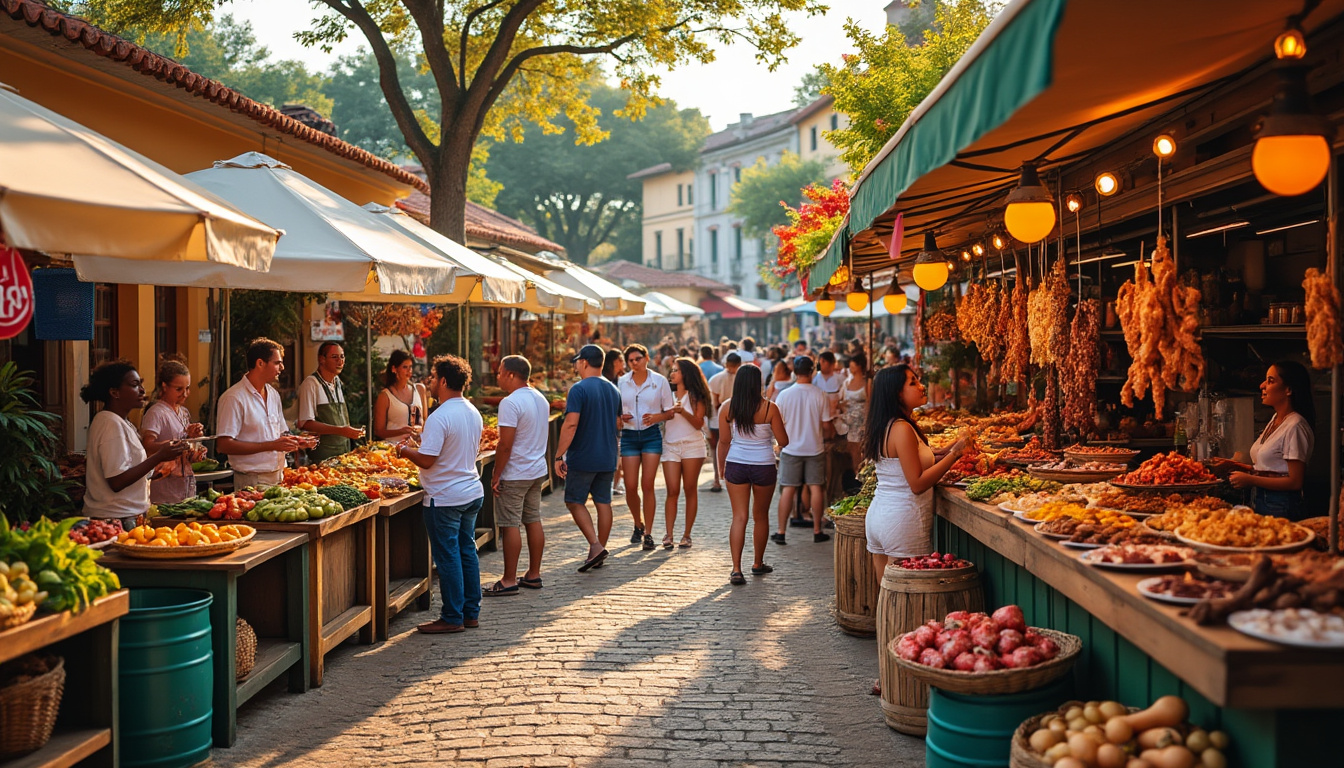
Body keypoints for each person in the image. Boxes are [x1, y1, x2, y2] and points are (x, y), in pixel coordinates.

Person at [396, 355, 484, 634]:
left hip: (445, 496)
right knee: (467, 550)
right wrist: (420, 442)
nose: (430, 382)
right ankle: (470, 612)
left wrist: (404, 451)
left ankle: (452, 616)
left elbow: (427, 460)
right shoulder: (472, 411)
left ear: (444, 381)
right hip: (470, 491)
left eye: (433, 377)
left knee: (448, 557)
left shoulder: (440, 415)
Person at [863, 364, 969, 579]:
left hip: (882, 516)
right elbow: (917, 484)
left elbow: (912, 462)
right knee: (905, 594)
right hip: (902, 521)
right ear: (897, 394)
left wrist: (949, 449)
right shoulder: (901, 428)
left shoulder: (887, 425)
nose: (922, 386)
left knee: (887, 594)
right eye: (913, 382)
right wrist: (955, 454)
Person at [82, 360, 188, 528]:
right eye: (134, 385)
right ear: (115, 392)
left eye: (141, 384)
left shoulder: (122, 422)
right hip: (116, 518)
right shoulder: (110, 424)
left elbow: (130, 468)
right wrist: (160, 455)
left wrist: (159, 468)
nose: (142, 390)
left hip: (128, 515)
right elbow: (117, 481)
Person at [717, 365, 789, 585]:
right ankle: (757, 563)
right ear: (758, 383)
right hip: (763, 465)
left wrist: (721, 468)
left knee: (739, 517)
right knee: (761, 516)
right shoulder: (770, 408)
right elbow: (784, 441)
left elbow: (723, 441)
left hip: (736, 464)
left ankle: (736, 569)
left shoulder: (728, 407)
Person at [484, 355, 549, 595]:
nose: (498, 376)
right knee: (533, 519)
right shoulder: (540, 398)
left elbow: (505, 444)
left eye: (500, 372)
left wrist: (496, 474)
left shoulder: (510, 402)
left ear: (511, 374)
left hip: (516, 472)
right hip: (536, 469)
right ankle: (533, 574)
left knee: (510, 524)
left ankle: (509, 580)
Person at [554, 344, 622, 572]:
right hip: (607, 455)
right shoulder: (613, 389)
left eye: (577, 362)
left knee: (574, 501)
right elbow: (618, 423)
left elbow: (571, 424)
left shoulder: (579, 389)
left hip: (584, 455)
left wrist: (558, 455)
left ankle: (595, 545)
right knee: (603, 502)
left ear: (583, 362)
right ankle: (599, 549)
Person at [1217, 361, 1316, 516]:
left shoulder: (1295, 425)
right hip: (1261, 500)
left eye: (1270, 381)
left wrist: (1250, 480)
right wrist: (1234, 466)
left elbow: (1295, 482)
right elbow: (1271, 467)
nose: (1262, 385)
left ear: (1289, 390)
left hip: (1281, 505)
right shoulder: (1275, 418)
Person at [217, 338, 308, 488]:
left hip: (279, 475)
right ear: (260, 363)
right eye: (277, 363)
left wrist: (297, 440)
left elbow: (281, 433)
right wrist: (271, 445)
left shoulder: (273, 394)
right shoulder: (233, 398)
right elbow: (223, 445)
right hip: (251, 480)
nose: (282, 367)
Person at [617, 343, 676, 551]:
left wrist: (656, 417)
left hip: (651, 435)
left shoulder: (659, 381)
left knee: (647, 484)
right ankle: (638, 523)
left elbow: (670, 411)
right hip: (629, 435)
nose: (635, 363)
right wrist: (620, 417)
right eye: (631, 360)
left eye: (638, 359)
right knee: (630, 485)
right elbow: (616, 410)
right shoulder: (622, 382)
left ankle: (648, 534)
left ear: (646, 358)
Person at [772, 356, 834, 545]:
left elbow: (778, 424)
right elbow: (826, 425)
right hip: (815, 448)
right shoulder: (820, 394)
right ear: (812, 371)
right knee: (816, 488)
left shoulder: (784, 395)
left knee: (788, 489)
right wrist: (827, 438)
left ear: (794, 372)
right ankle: (817, 530)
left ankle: (781, 532)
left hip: (790, 449)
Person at [140, 356, 206, 504]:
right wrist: (174, 445)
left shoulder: (183, 412)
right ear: (164, 386)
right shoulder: (156, 412)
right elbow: (147, 446)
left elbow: (186, 445)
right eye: (179, 389)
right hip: (164, 487)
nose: (185, 394)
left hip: (185, 485)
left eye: (187, 388)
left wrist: (194, 440)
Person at [662, 358, 712, 550]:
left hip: (693, 446)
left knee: (690, 489)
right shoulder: (667, 394)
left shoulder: (696, 396)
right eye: (672, 370)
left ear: (686, 374)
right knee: (672, 490)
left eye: (676, 370)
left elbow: (699, 424)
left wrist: (682, 411)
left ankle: (687, 535)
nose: (672, 373)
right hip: (670, 446)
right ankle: (669, 534)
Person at [297, 341, 365, 463]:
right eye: (334, 357)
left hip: (343, 454)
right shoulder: (311, 384)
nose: (340, 361)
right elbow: (305, 423)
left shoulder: (337, 382)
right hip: (322, 457)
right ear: (322, 359)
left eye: (342, 356)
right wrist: (341, 430)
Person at [374, 349, 427, 441]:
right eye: (405, 367)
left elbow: (426, 420)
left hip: (417, 446)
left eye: (410, 367)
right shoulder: (385, 396)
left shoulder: (420, 389)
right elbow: (378, 431)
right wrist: (401, 431)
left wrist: (421, 430)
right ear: (394, 369)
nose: (409, 371)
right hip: (393, 447)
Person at [707, 353, 741, 494]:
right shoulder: (742, 379)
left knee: (718, 447)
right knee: (726, 447)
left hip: (721, 417)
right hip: (732, 418)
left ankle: (718, 478)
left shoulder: (716, 379)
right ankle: (722, 478)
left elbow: (714, 401)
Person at [837, 352, 872, 480]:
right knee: (852, 449)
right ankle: (855, 475)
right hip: (848, 421)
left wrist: (867, 421)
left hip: (861, 421)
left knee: (860, 449)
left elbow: (869, 402)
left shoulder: (867, 382)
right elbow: (840, 399)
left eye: (853, 366)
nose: (851, 369)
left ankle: (861, 475)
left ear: (860, 366)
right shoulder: (847, 382)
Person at [602, 348, 627, 496]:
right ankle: (610, 483)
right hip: (606, 421)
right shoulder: (606, 378)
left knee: (618, 454)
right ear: (614, 362)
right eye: (621, 360)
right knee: (613, 453)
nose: (623, 363)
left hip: (619, 422)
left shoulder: (622, 379)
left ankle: (616, 484)